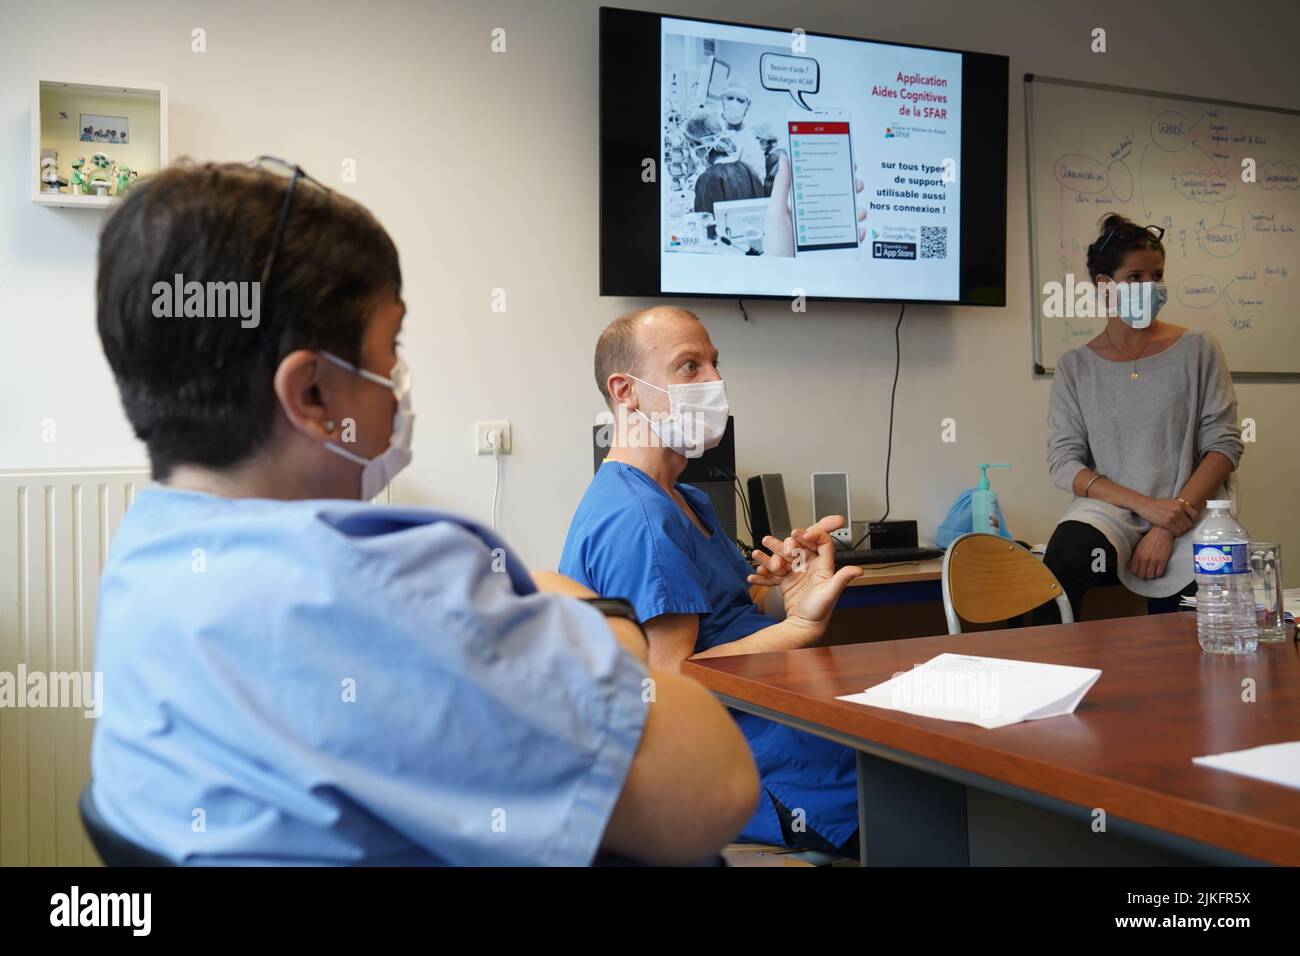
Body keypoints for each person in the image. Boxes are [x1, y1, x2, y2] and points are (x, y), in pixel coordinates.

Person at [90, 159, 757, 866]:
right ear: (312, 395)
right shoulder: (375, 591)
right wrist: (605, 621)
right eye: (390, 349)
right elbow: (716, 786)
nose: (398, 384)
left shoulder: (147, 554)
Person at [560, 306, 864, 856]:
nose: (715, 382)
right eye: (689, 367)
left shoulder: (686, 499)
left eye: (715, 364)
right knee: (943, 796)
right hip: (768, 772)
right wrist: (797, 628)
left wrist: (782, 595)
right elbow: (666, 683)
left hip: (788, 734)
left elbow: (724, 617)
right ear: (626, 391)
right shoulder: (639, 520)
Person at [1038, 213, 1243, 622]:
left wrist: (1168, 523)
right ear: (1104, 286)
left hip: (1190, 507)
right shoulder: (1076, 366)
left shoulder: (1199, 348)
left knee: (1189, 600)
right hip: (1112, 508)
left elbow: (1224, 445)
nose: (1149, 288)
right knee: (1066, 559)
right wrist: (1146, 507)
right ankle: (1055, 672)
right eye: (1135, 278)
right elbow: (1064, 463)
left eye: (1157, 275)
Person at [684, 111, 765, 218]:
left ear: (702, 146)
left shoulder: (707, 178)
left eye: (692, 145)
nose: (692, 150)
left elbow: (703, 221)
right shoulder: (748, 169)